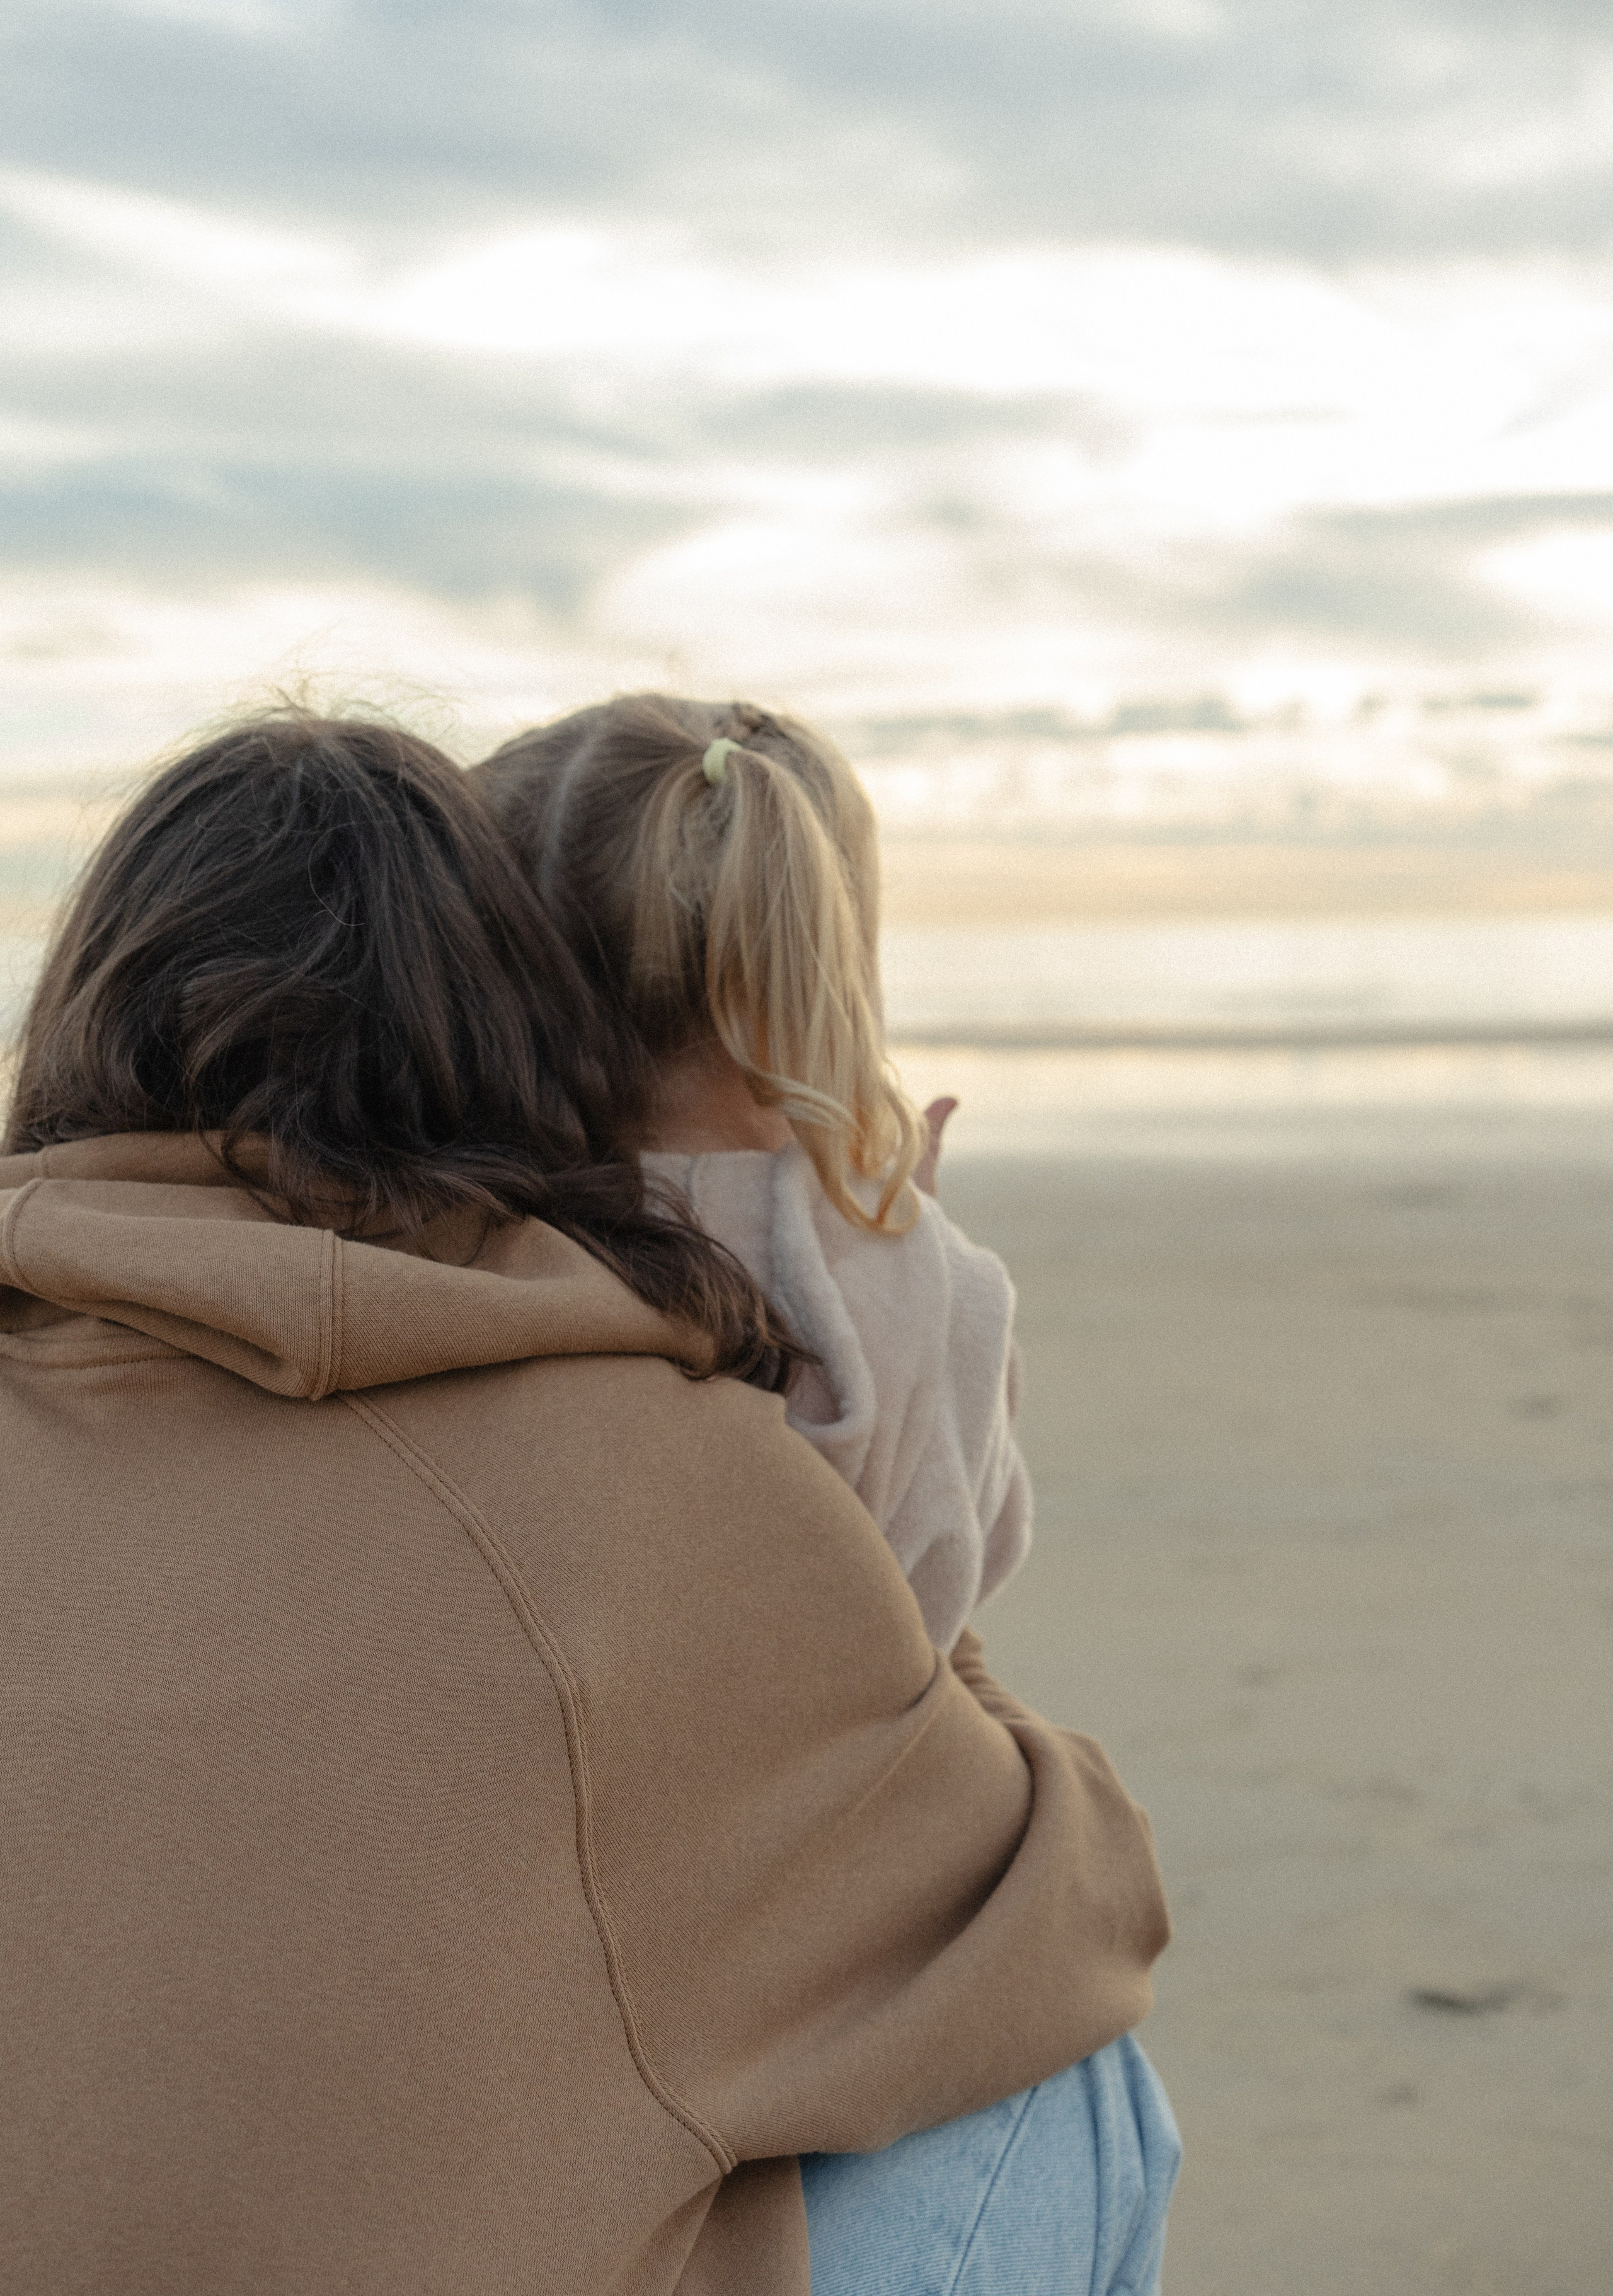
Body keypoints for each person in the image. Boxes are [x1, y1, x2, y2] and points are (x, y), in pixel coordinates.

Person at [0, 713, 1173, 2296]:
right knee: (1061, 2084)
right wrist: (888, 1348)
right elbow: (1051, 1902)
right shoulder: (634, 1464)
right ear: (490, 1038)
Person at [478, 693, 1181, 2290]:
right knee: (1105, 2106)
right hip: (798, 1893)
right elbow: (946, 1581)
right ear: (827, 947)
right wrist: (916, 1273)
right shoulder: (887, 1261)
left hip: (549, 1874)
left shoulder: (476, 1227)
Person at [476, 693, 1029, 1655]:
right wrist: (912, 1254)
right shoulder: (937, 1289)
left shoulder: (453, 1231)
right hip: (840, 1771)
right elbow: (970, 1562)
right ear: (828, 955)